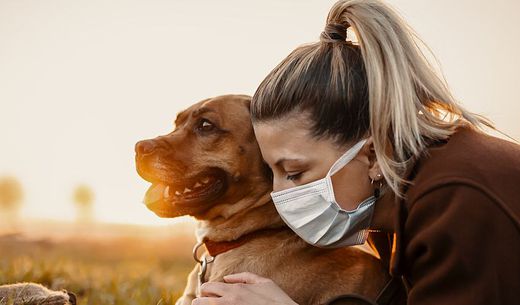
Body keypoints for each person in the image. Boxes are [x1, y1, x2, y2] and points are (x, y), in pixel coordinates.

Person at [192, 0, 520, 304]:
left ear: (373, 155)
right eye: (272, 172)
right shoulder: (390, 206)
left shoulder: (459, 199)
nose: (279, 195)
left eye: (294, 172)